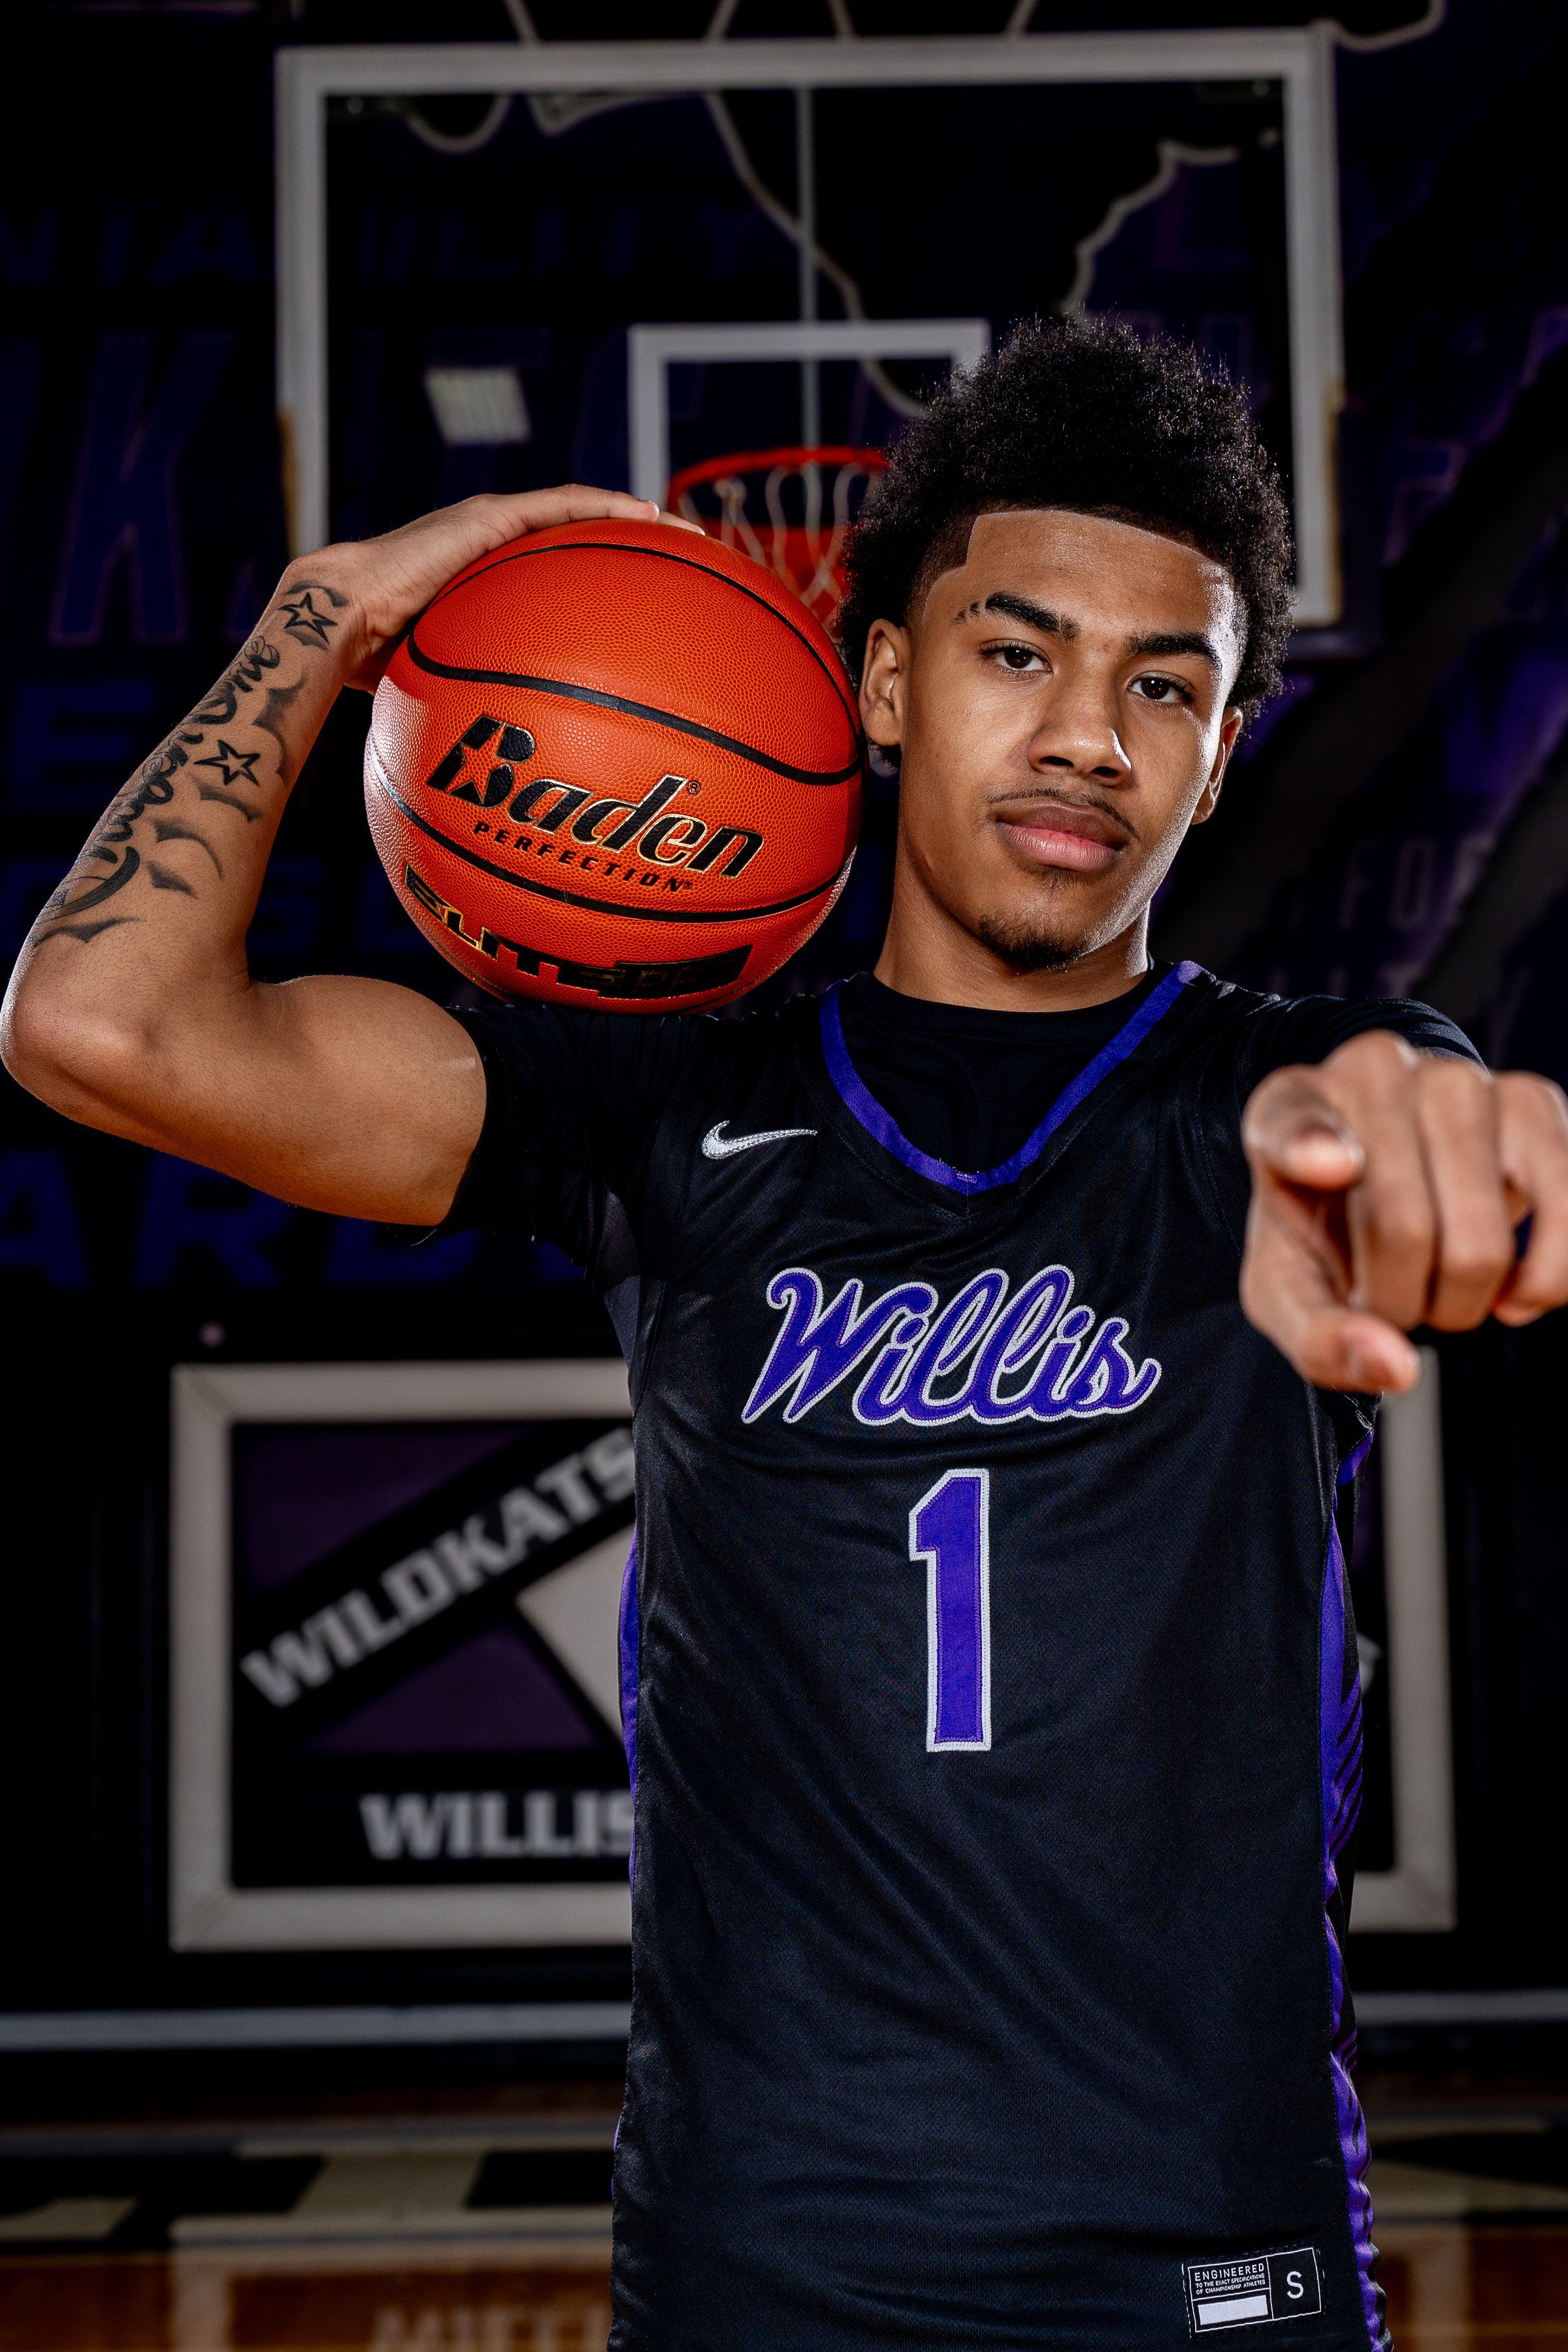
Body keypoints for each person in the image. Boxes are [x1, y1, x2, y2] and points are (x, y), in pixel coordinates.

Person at [6, 316, 1567, 2351]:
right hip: (765, 2268)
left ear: (1220, 749)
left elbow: (1404, 1116)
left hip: (1211, 2264)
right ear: (887, 683)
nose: (1090, 735)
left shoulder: (1283, 1095)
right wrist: (325, 617)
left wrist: (1419, 1136)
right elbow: (101, 1025)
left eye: (1163, 684)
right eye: (1019, 653)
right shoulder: (661, 1103)